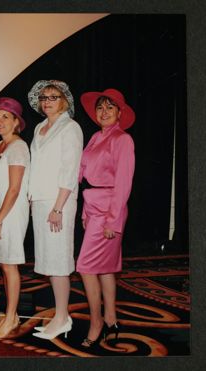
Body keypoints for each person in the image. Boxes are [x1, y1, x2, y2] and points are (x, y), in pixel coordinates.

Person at [77, 88, 135, 348]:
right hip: (93, 206)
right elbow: (86, 176)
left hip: (110, 209)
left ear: (120, 113)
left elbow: (123, 183)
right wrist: (84, 211)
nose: (104, 112)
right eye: (101, 107)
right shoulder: (94, 137)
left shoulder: (122, 139)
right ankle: (111, 319)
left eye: (110, 107)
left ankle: (96, 322)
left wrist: (113, 220)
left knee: (86, 267)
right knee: (106, 268)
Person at [26, 80, 83, 340]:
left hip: (58, 202)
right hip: (40, 201)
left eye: (54, 96)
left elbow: (69, 171)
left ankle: (62, 318)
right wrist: (31, 198)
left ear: (64, 100)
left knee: (59, 261)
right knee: (49, 261)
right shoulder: (39, 127)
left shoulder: (71, 128)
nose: (47, 101)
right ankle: (60, 315)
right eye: (44, 97)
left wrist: (58, 208)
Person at [0, 97, 30, 339]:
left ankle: (12, 317)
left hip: (10, 215)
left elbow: (14, 188)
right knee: (3, 264)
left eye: (6, 117)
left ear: (16, 122)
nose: (0, 121)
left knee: (10, 265)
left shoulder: (18, 147)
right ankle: (10, 313)